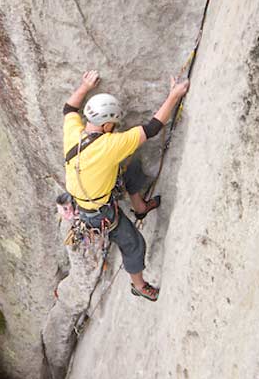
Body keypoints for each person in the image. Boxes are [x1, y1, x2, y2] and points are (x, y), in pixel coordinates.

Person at [63, 70, 189, 301]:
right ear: (107, 124)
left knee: (131, 169)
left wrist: (85, 86)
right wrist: (174, 95)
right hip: (98, 213)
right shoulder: (111, 145)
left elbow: (69, 109)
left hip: (87, 199)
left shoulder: (73, 133)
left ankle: (140, 207)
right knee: (133, 243)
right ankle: (139, 286)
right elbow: (152, 128)